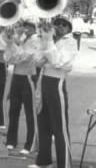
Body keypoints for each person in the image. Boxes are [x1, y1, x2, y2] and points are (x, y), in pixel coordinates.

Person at [28, 15, 78, 168]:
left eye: (64, 24)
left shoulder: (70, 42)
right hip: (43, 83)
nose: (60, 26)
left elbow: (58, 62)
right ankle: (44, 161)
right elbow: (37, 61)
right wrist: (44, 40)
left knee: (59, 128)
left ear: (69, 28)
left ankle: (65, 164)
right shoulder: (51, 40)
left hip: (57, 85)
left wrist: (49, 43)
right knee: (43, 125)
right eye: (58, 24)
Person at [4, 20, 39, 154]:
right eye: (25, 26)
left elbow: (22, 57)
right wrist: (11, 41)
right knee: (13, 110)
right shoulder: (21, 40)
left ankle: (30, 144)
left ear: (34, 28)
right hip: (17, 77)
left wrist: (12, 43)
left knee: (30, 113)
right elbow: (7, 58)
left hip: (28, 78)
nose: (26, 29)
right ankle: (11, 140)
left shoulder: (36, 40)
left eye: (29, 26)